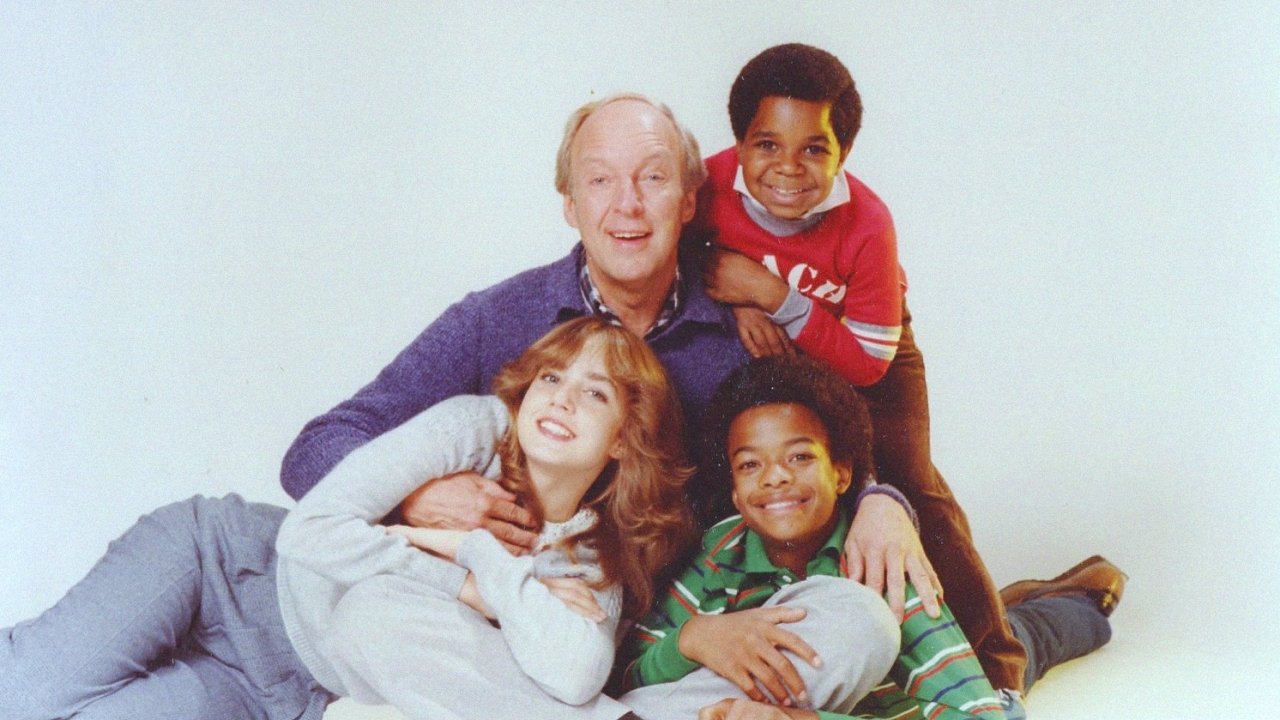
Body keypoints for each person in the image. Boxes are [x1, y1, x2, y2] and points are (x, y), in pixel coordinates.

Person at [278, 93, 940, 617]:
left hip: (678, 630)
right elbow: (317, 448)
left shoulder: (744, 336)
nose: (628, 205)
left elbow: (827, 457)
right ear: (570, 205)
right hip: (516, 618)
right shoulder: (495, 319)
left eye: (653, 178)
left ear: (688, 201)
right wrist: (417, 497)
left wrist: (882, 500)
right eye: (600, 181)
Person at [0, 317, 695, 720]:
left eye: (595, 393)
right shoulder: (475, 427)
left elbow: (574, 680)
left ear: (624, 440)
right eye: (552, 377)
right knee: (24, 693)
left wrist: (483, 561)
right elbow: (310, 532)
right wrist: (465, 589)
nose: (562, 399)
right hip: (223, 571)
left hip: (287, 684)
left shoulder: (594, 558)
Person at [685, 42, 1027, 693]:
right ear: (739, 143)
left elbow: (867, 363)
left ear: (843, 152)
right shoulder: (706, 186)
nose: (788, 167)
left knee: (910, 488)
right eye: (767, 145)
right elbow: (679, 258)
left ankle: (995, 660)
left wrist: (772, 296)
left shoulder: (867, 223)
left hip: (869, 345)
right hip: (778, 339)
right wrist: (737, 306)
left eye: (814, 149)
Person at [617, 356, 1118, 720]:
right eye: (750, 465)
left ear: (841, 474)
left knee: (1022, 652)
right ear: (733, 488)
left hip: (903, 700)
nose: (775, 477)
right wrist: (692, 638)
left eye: (800, 457)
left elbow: (977, 714)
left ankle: (1073, 604)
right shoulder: (719, 552)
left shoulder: (882, 565)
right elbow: (625, 677)